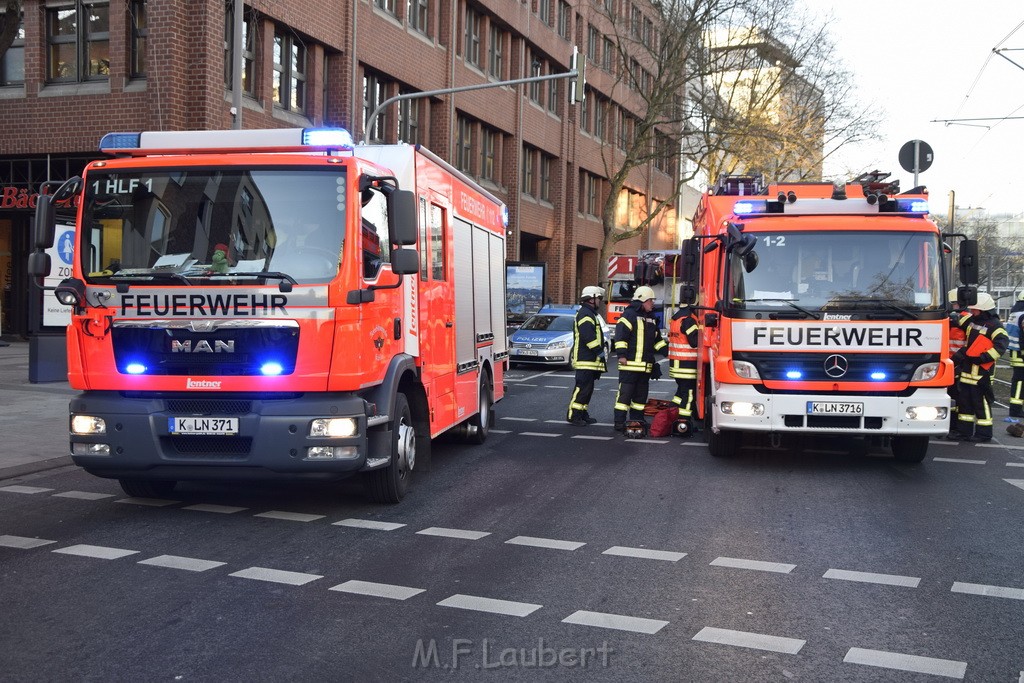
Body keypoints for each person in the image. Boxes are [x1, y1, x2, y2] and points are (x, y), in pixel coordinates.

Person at [949, 292, 1008, 442]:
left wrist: (983, 358)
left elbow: (1000, 347)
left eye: (975, 310)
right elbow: (959, 323)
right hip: (968, 369)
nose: (972, 312)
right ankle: (964, 432)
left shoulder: (996, 327)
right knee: (965, 403)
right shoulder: (972, 321)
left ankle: (984, 433)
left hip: (982, 372)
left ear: (984, 310)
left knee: (981, 403)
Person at [612, 286, 667, 432]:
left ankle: (637, 420)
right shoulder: (629, 315)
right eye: (650, 300)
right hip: (629, 366)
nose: (653, 303)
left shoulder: (651, 318)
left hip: (645, 367)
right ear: (642, 300)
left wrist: (668, 353)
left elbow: (657, 340)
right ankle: (619, 423)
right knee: (624, 397)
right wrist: (621, 355)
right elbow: (621, 337)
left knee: (640, 398)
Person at [566, 286, 607, 426]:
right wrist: (598, 351)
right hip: (585, 359)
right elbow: (588, 336)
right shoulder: (585, 314)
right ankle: (574, 415)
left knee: (587, 390)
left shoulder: (589, 313)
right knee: (582, 389)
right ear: (591, 298)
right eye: (598, 299)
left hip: (590, 360)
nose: (599, 302)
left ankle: (582, 413)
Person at [668, 304, 700, 433]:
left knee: (680, 394)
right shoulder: (689, 320)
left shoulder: (676, 318)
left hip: (677, 365)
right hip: (687, 365)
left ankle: (671, 415)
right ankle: (683, 424)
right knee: (689, 395)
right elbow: (694, 341)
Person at [947, 288, 968, 430]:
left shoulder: (965, 318)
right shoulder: (950, 317)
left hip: (959, 362)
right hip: (950, 362)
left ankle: (957, 426)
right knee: (952, 394)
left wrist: (958, 359)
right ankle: (953, 424)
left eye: (953, 303)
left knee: (958, 395)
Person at [1006, 291, 1024, 421]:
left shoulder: (1014, 314)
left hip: (1015, 351)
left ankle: (1015, 407)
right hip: (1021, 353)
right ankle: (1016, 409)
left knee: (1017, 381)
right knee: (1019, 382)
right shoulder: (1023, 315)